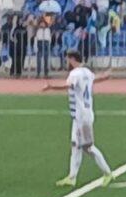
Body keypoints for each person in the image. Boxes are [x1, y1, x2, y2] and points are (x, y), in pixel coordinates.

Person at [43, 50, 114, 188]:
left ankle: (107, 173)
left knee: (88, 147)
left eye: (68, 60)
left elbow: (68, 85)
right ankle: (72, 177)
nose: (67, 63)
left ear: (72, 59)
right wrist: (106, 76)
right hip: (81, 116)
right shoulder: (87, 72)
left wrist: (51, 87)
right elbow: (95, 79)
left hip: (82, 116)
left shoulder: (75, 74)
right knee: (75, 145)